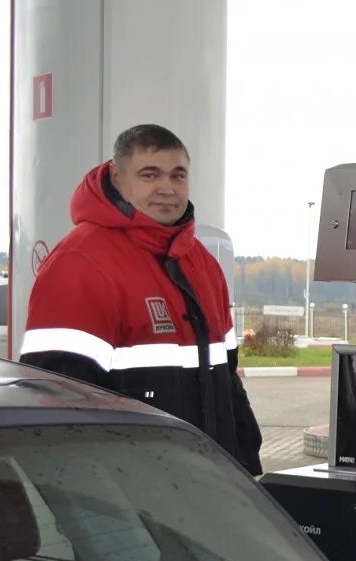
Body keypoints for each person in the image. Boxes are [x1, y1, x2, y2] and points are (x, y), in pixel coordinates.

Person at [20, 124, 263, 475]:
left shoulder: (202, 264)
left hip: (210, 481)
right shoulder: (81, 262)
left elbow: (228, 383)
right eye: (150, 174)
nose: (167, 188)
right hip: (129, 495)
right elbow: (60, 402)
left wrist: (246, 465)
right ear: (117, 178)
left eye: (178, 176)